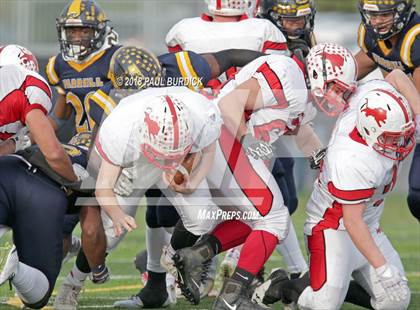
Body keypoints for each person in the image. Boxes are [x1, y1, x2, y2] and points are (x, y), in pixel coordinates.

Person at [254, 42, 420, 309]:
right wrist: (383, 269)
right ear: (371, 134)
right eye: (393, 139)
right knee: (325, 304)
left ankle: (334, 282)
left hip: (369, 222)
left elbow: (398, 76)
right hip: (333, 227)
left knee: (396, 302)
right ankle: (285, 286)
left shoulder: (374, 95)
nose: (401, 143)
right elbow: (352, 223)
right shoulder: (351, 158)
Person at [168, 53, 314, 309]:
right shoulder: (287, 72)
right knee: (274, 219)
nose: (334, 95)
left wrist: (324, 158)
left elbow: (301, 131)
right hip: (225, 138)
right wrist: (246, 143)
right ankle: (232, 296)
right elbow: (230, 104)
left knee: (255, 218)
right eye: (334, 86)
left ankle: (196, 256)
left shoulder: (297, 89)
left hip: (222, 141)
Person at [0, 132, 90, 309]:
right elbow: (92, 231)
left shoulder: (55, 142)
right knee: (37, 297)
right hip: (41, 192)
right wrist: (99, 269)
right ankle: (14, 270)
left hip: (9, 167)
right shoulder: (95, 164)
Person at [355, 0, 420, 222]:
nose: (377, 21)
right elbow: (352, 70)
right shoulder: (372, 37)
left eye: (384, 15)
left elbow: (418, 102)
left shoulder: (414, 38)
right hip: (408, 124)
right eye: (372, 15)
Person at [0, 44, 79, 182]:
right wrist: (77, 182)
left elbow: (57, 118)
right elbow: (54, 154)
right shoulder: (27, 85)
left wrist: (16, 143)